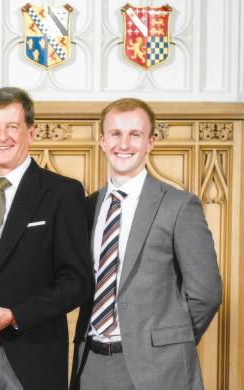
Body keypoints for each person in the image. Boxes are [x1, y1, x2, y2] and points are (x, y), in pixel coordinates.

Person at [0, 87, 93, 390]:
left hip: (31, 355)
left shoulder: (62, 192)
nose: (2, 136)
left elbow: (76, 282)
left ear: (31, 131)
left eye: (12, 126)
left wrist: (13, 315)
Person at [70, 98, 223, 390]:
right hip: (89, 362)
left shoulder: (179, 206)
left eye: (135, 135)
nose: (123, 144)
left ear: (150, 142)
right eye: (115, 134)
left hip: (158, 367)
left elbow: (206, 294)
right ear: (102, 140)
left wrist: (169, 342)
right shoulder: (85, 208)